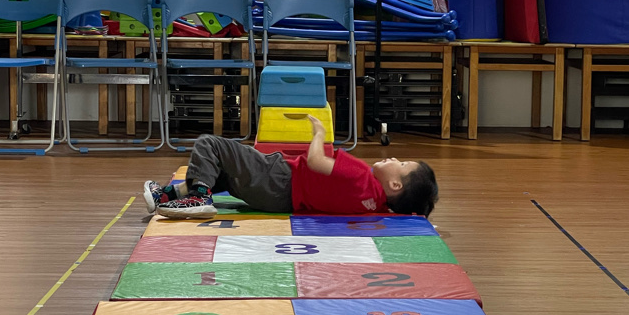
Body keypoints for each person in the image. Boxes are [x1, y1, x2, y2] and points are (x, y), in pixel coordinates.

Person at [144, 116, 438, 219]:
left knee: (211, 145)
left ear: (396, 185)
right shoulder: (375, 207)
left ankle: (199, 198)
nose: (393, 159)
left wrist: (319, 133)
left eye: (401, 164)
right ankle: (169, 195)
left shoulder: (362, 175)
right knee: (223, 174)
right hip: (278, 200)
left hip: (278, 178)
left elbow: (315, 161)